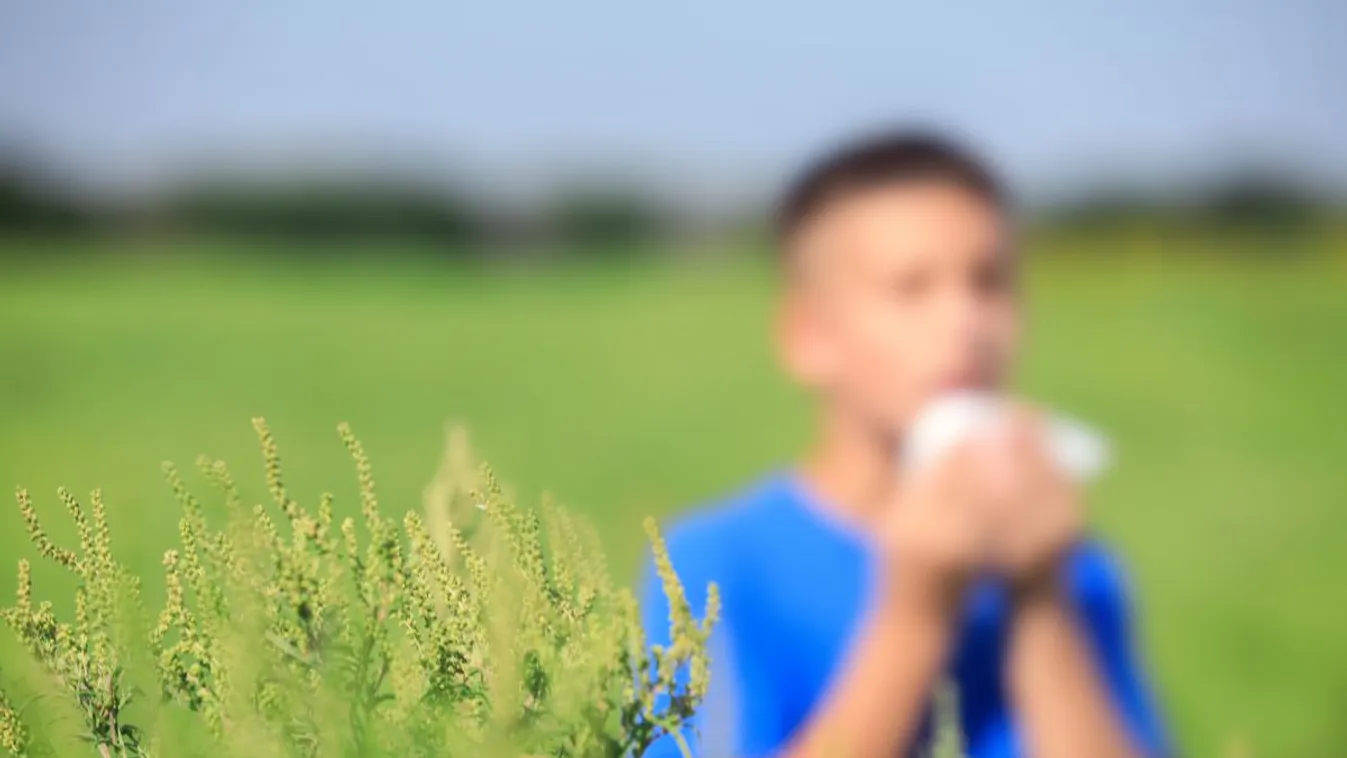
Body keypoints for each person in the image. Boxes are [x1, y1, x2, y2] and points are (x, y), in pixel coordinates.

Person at [640, 131, 1169, 758]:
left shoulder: (1074, 566)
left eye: (989, 282)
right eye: (910, 288)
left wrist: (1042, 600)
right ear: (808, 335)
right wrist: (915, 614)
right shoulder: (713, 567)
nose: (966, 323)